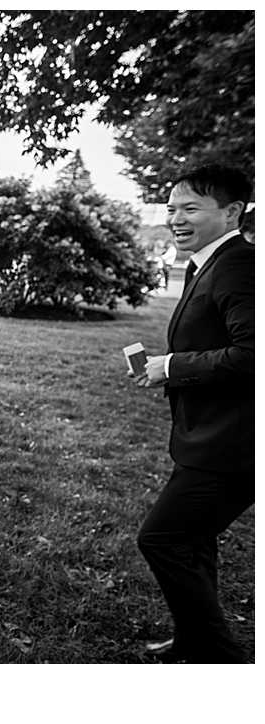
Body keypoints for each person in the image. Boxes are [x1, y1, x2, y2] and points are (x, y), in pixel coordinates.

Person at [132, 164, 254, 663]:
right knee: (196, 543)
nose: (176, 219)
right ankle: (194, 642)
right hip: (205, 435)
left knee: (163, 541)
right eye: (171, 210)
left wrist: (172, 365)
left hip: (233, 444)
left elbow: (252, 354)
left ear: (232, 211)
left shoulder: (239, 265)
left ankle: (222, 662)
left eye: (190, 209)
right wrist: (165, 370)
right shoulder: (208, 262)